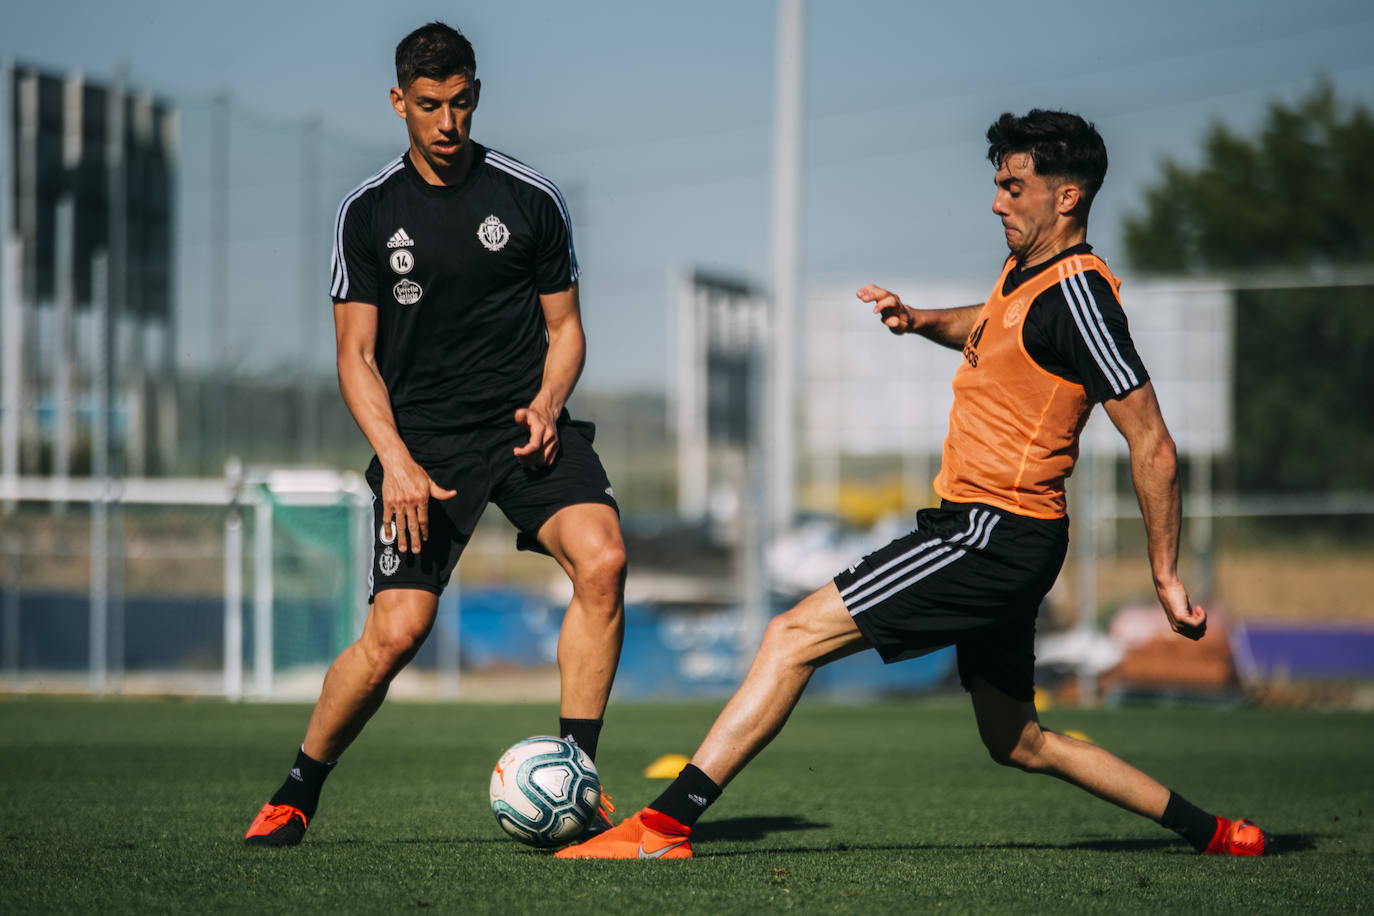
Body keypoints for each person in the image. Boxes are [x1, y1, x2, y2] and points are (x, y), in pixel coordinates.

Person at [557, 109, 1266, 860]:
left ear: (1067, 197)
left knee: (791, 635)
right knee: (1018, 740)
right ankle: (1216, 832)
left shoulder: (1082, 298)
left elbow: (1152, 443)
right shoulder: (1027, 279)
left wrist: (1163, 571)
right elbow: (994, 325)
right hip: (1000, 533)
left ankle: (664, 827)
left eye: (1013, 185)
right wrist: (925, 319)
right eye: (997, 184)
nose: (997, 201)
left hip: (993, 532)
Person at [245, 21, 626, 847]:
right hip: (421, 447)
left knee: (604, 560)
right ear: (398, 104)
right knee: (397, 634)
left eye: (459, 103)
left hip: (525, 431)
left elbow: (567, 330)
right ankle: (296, 790)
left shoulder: (530, 198)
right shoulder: (369, 212)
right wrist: (397, 462)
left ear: (477, 95)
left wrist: (550, 401)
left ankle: (578, 780)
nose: (446, 123)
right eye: (428, 106)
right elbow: (354, 357)